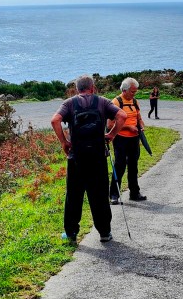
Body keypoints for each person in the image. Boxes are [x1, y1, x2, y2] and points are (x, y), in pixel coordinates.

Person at [51, 75, 127, 243]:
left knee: (74, 196)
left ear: (77, 89)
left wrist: (64, 142)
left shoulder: (69, 103)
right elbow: (122, 115)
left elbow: (55, 120)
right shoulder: (103, 102)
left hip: (76, 157)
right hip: (98, 157)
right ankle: (105, 233)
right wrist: (112, 135)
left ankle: (71, 234)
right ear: (93, 88)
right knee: (99, 195)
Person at [110, 77, 148, 204]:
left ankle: (134, 193)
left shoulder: (135, 102)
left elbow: (139, 118)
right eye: (132, 91)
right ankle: (114, 195)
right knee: (119, 166)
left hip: (134, 139)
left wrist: (141, 125)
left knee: (133, 166)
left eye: (135, 91)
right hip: (120, 139)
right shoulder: (115, 103)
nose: (134, 94)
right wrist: (127, 127)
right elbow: (110, 124)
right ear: (124, 90)